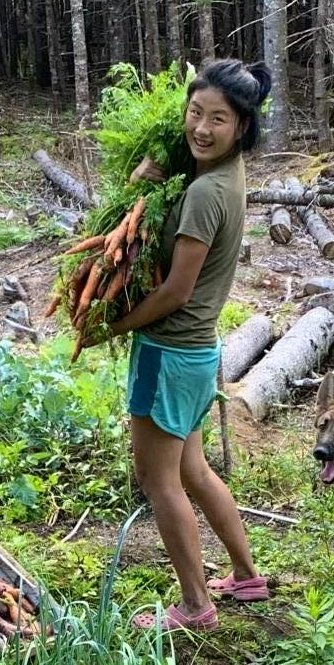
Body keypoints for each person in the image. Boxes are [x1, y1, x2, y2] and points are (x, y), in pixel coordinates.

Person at [109, 59, 273, 633]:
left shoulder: (206, 193)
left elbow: (176, 290)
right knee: (196, 471)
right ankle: (247, 576)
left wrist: (119, 323)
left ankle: (196, 605)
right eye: (194, 112)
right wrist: (144, 181)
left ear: (243, 127)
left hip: (170, 350)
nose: (201, 128)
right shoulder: (227, 177)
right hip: (199, 351)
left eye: (218, 120)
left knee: (161, 481)